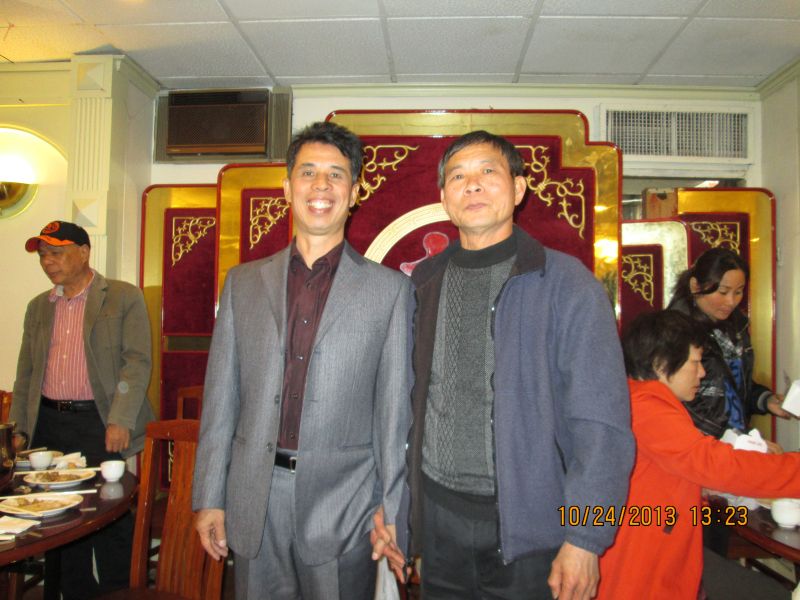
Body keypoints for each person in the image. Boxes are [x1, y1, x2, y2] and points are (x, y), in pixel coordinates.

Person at [375, 130, 635, 599]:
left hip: (533, 526)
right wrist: (396, 508)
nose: (472, 184)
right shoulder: (422, 284)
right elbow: (400, 407)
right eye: (458, 176)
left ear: (518, 189)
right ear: (444, 198)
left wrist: (586, 538)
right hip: (439, 521)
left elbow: (602, 425)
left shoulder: (565, 284)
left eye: (487, 172)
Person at [192, 121, 412, 600]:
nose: (320, 185)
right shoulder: (243, 284)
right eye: (308, 172)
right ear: (287, 186)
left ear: (355, 192)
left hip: (345, 504)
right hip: (254, 497)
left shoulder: (390, 291)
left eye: (336, 175)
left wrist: (393, 508)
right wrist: (209, 496)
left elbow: (394, 415)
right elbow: (221, 400)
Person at [597, 310, 800, 599]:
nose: (702, 373)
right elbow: (716, 466)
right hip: (642, 574)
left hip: (656, 559)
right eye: (695, 362)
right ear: (661, 364)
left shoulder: (640, 401)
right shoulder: (647, 409)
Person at [11, 220, 154, 598]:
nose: (48, 261)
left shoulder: (122, 296)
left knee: (109, 516)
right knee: (58, 518)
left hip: (99, 423)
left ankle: (118, 593)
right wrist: (19, 430)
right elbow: (26, 372)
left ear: (84, 252)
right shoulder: (38, 307)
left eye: (56, 253)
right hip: (48, 426)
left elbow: (136, 362)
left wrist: (120, 419)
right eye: (43, 255)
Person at [667, 247, 791, 439]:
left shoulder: (736, 328)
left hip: (732, 439)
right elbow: (677, 401)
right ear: (695, 286)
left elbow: (734, 386)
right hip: (700, 443)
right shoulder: (674, 332)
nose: (731, 301)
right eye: (723, 292)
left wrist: (765, 400)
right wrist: (732, 441)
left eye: (738, 292)